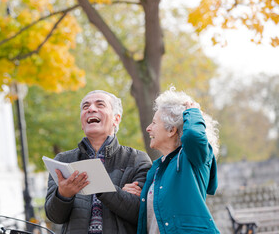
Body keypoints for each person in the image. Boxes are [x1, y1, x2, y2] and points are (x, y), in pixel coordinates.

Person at [45, 90, 152, 234]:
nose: (91, 109)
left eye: (100, 105)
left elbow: (141, 213)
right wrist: (63, 195)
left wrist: (101, 186)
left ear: (116, 119)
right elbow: (54, 217)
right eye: (85, 107)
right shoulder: (63, 161)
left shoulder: (137, 159)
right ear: (82, 123)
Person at [135, 87, 220, 233]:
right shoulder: (156, 169)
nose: (148, 128)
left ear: (171, 130)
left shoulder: (193, 158)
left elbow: (193, 136)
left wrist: (193, 113)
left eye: (154, 123)